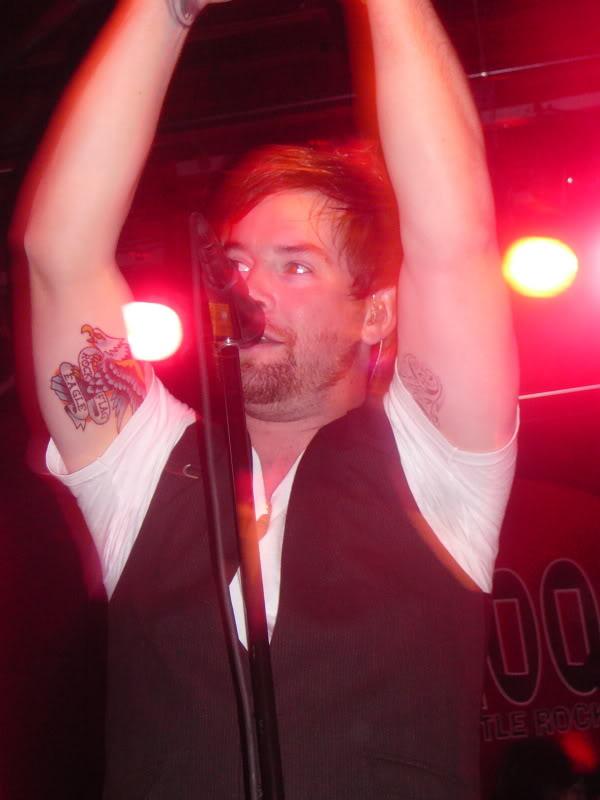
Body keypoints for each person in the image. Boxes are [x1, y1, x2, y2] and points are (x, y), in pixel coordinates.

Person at [16, 0, 519, 796]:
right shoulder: (144, 473)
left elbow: (453, 241)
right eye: (238, 263)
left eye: (295, 265)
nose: (250, 287)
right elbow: (60, 252)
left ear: (375, 312)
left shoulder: (434, 464)